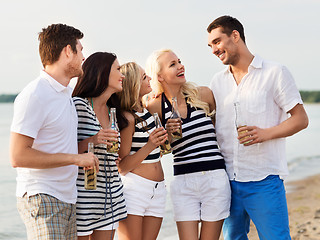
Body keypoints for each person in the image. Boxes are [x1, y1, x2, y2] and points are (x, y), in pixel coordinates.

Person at [207, 15, 309, 240]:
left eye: (217, 41)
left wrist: (265, 134)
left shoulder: (275, 72)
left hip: (264, 180)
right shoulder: (217, 81)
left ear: (235, 36)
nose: (213, 49)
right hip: (226, 181)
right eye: (210, 45)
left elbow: (301, 119)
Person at [9, 24, 99, 240]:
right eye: (81, 49)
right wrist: (75, 159)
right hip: (43, 197)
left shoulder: (65, 94)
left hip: (67, 197)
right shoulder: (35, 95)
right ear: (68, 51)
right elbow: (18, 156)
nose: (84, 57)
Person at [146, 49, 231, 240]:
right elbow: (159, 151)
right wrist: (167, 135)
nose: (180, 66)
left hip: (215, 179)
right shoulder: (154, 106)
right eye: (172, 64)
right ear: (159, 76)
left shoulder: (204, 95)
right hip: (183, 182)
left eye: (179, 61)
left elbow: (221, 133)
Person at [72, 52, 127, 240]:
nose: (123, 75)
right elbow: (64, 150)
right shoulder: (79, 105)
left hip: (111, 196)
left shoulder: (113, 111)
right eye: (118, 69)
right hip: (84, 197)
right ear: (102, 72)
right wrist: (93, 140)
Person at [116, 62, 168, 240]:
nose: (150, 79)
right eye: (145, 77)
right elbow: (122, 167)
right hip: (135, 190)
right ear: (133, 84)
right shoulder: (127, 118)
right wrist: (150, 145)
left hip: (158, 189)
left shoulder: (146, 110)